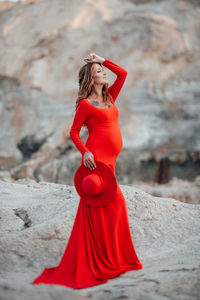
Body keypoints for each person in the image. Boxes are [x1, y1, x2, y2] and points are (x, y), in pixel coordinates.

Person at [32, 53, 143, 289]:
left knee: (112, 207)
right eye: (99, 72)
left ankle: (112, 258)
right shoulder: (85, 105)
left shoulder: (110, 96)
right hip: (97, 160)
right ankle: (102, 260)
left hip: (111, 161)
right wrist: (85, 152)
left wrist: (102, 60)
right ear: (90, 80)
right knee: (110, 204)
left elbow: (122, 74)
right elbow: (73, 131)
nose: (103, 73)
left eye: (102, 71)